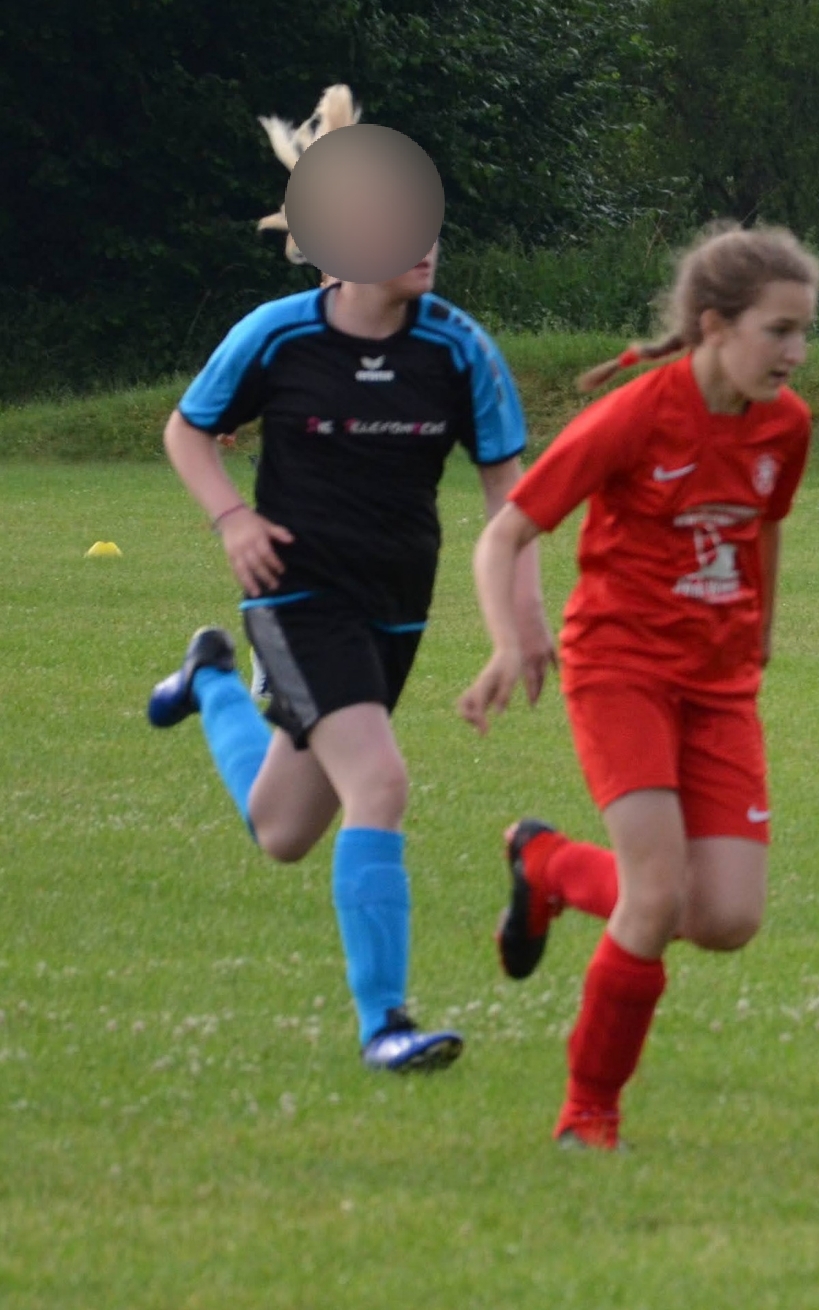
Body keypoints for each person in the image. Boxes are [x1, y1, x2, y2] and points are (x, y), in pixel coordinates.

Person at [146, 241, 550, 1072]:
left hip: (395, 607)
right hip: (293, 598)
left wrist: (526, 618)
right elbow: (187, 430)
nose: (426, 245)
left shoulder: (458, 347)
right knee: (380, 782)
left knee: (283, 830)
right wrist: (233, 520)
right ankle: (385, 1025)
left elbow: (510, 493)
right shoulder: (276, 334)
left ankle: (211, 680)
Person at [458, 223, 819, 1150]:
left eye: (804, 332)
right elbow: (505, 534)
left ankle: (547, 865)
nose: (796, 353)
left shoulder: (786, 424)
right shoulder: (635, 416)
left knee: (726, 918)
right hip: (621, 670)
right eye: (779, 331)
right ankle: (590, 1112)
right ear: (715, 326)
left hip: (720, 683)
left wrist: (762, 628)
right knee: (655, 898)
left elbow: (763, 523)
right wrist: (509, 640)